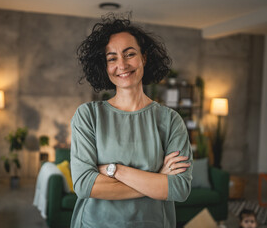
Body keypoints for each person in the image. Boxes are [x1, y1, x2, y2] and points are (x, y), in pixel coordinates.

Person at [70, 13, 193, 228]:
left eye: (130, 54)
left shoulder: (170, 120)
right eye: (112, 58)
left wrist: (114, 170)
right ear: (104, 66)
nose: (122, 64)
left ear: (144, 57)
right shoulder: (88, 116)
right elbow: (84, 185)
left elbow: (179, 188)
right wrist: (157, 180)